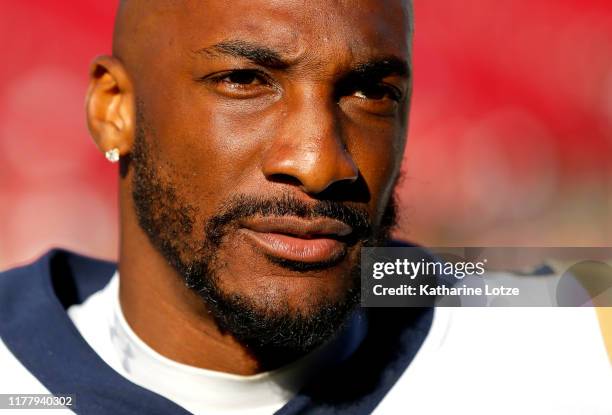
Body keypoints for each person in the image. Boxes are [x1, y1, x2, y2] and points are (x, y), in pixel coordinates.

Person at [0, 1, 610, 414]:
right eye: (244, 80)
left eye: (370, 92)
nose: (320, 164)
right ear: (115, 110)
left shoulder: (565, 346)